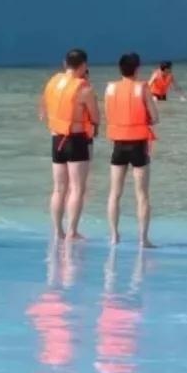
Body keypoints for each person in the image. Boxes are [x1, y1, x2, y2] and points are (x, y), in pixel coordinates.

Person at [39, 48, 99, 241]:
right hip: (76, 140)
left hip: (57, 139)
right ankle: (72, 231)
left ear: (65, 64)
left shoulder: (53, 82)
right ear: (84, 65)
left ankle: (58, 231)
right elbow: (95, 117)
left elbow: (43, 110)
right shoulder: (84, 89)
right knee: (77, 188)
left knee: (58, 188)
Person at [105, 53, 159, 248]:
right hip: (138, 145)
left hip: (118, 144)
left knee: (115, 193)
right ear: (137, 69)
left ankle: (114, 236)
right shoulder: (142, 88)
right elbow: (155, 117)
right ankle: (143, 239)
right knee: (142, 194)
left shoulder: (110, 88)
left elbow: (108, 112)